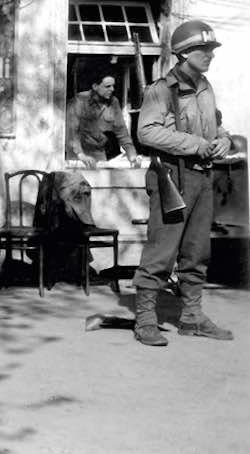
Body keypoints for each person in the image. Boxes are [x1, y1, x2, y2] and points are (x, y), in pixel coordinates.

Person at [132, 19, 234, 346]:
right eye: (204, 50)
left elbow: (215, 125)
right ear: (185, 52)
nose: (210, 55)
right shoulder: (161, 90)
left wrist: (223, 140)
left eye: (211, 49)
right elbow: (145, 131)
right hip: (171, 177)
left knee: (197, 251)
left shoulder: (206, 87)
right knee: (162, 250)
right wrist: (195, 144)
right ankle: (146, 320)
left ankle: (192, 318)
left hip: (203, 176)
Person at [66, 72, 140, 168]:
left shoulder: (114, 102)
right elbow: (71, 131)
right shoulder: (80, 100)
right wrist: (80, 155)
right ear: (95, 86)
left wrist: (132, 154)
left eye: (113, 86)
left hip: (99, 153)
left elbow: (121, 131)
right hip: (77, 154)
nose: (112, 89)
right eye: (107, 86)